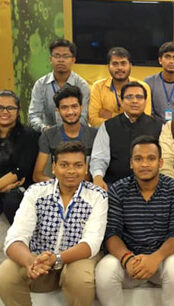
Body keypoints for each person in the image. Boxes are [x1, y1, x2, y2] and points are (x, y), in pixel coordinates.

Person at [0, 141, 108, 306]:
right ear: (53, 167)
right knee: (6, 273)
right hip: (39, 260)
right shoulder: (36, 192)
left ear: (86, 168)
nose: (71, 171)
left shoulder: (97, 196)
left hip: (77, 259)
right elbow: (16, 236)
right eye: (64, 165)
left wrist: (57, 259)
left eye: (78, 165)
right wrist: (31, 262)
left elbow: (91, 243)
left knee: (80, 279)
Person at [95, 136, 174, 306]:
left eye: (151, 158)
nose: (144, 164)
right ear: (131, 163)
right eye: (138, 159)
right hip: (128, 260)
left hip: (162, 258)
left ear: (160, 163)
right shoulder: (117, 190)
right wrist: (127, 259)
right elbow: (111, 233)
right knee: (104, 271)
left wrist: (155, 258)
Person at [90, 81, 162, 190]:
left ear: (145, 101)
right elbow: (99, 157)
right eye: (129, 97)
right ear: (121, 100)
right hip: (114, 185)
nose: (134, 101)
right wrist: (98, 177)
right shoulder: (108, 125)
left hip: (150, 186)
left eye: (139, 97)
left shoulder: (158, 126)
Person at [33, 85, 97, 182]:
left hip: (86, 190)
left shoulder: (94, 135)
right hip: (56, 190)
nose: (70, 112)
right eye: (64, 108)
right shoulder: (48, 135)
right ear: (57, 110)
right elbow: (37, 175)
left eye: (74, 106)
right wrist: (62, 186)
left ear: (81, 107)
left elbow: (97, 174)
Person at [28, 39, 90, 132]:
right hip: (46, 134)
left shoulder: (82, 85)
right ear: (50, 59)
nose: (61, 60)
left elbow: (84, 117)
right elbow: (34, 115)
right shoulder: (40, 84)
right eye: (57, 56)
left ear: (73, 60)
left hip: (75, 136)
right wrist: (45, 129)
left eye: (65, 56)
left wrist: (67, 131)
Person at [0, 90, 39, 224]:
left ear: (18, 111)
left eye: (10, 108)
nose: (5, 111)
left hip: (18, 189)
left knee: (12, 201)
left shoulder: (29, 135)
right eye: (0, 107)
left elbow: (21, 170)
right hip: (3, 186)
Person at [88, 47, 153, 127]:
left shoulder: (143, 87)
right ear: (108, 66)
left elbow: (144, 121)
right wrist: (130, 117)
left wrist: (111, 115)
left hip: (136, 137)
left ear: (130, 65)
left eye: (123, 63)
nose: (119, 68)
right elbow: (94, 121)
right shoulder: (98, 87)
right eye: (115, 64)